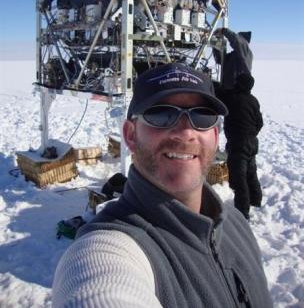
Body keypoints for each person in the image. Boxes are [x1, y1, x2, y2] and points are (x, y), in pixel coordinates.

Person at [52, 63, 272, 308]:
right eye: (161, 114)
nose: (186, 132)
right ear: (130, 135)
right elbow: (98, 287)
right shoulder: (113, 246)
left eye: (203, 116)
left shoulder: (237, 226)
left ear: (216, 136)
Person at [221, 72, 264, 220]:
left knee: (239, 178)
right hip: (252, 142)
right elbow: (260, 122)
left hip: (239, 143)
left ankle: (242, 212)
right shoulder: (253, 100)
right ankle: (256, 199)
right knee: (251, 172)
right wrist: (251, 134)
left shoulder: (232, 98)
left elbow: (219, 93)